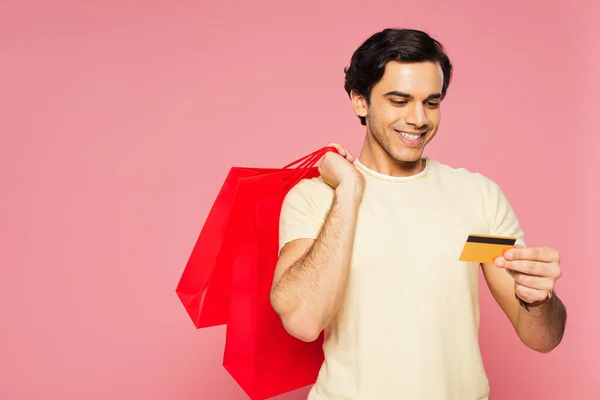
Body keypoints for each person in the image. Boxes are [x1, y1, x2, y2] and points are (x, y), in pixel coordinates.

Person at [269, 28, 567, 399]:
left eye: (431, 102)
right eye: (399, 100)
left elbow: (539, 337)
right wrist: (349, 191)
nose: (418, 118)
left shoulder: (475, 197)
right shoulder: (314, 199)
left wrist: (539, 301)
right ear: (360, 101)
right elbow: (303, 321)